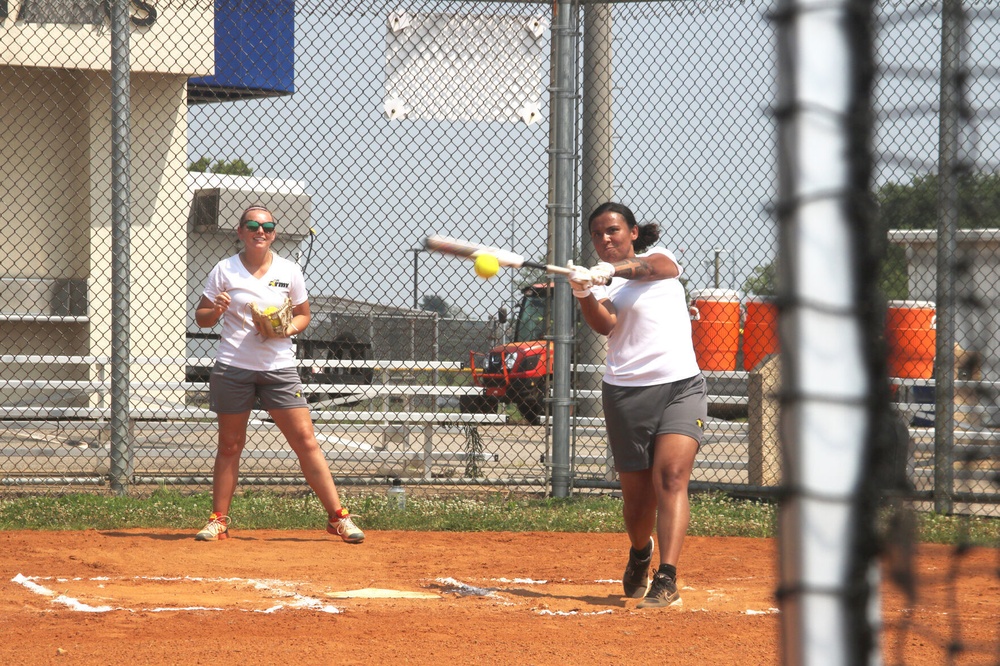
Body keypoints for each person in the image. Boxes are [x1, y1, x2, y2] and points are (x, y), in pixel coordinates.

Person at [192, 205, 364, 544]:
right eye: (253, 225)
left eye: (268, 227)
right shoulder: (224, 270)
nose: (261, 231)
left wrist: (283, 331)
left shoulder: (289, 270)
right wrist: (217, 309)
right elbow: (202, 317)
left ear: (274, 233)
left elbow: (303, 315)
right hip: (233, 367)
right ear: (239, 232)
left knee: (305, 441)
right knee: (230, 445)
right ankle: (218, 520)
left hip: (278, 368)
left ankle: (338, 517)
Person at [568, 201, 706, 608]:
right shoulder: (603, 284)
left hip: (681, 385)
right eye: (597, 234)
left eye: (612, 230)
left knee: (672, 477)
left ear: (632, 232)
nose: (605, 239)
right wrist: (584, 292)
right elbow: (604, 324)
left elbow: (651, 269)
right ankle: (641, 552)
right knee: (637, 500)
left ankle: (668, 576)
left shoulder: (662, 261)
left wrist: (611, 271)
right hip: (626, 393)